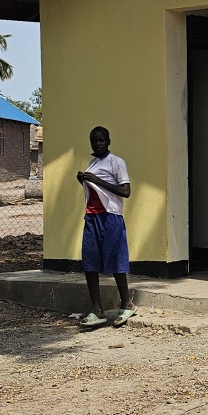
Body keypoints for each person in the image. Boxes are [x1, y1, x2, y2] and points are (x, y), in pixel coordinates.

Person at [76, 126, 136, 327]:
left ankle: (127, 304)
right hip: (92, 218)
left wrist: (97, 180)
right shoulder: (93, 163)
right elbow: (96, 191)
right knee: (90, 262)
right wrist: (84, 181)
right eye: (94, 141)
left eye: (101, 140)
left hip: (110, 217)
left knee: (116, 260)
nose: (97, 143)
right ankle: (97, 310)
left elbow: (125, 191)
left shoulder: (117, 162)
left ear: (109, 141)